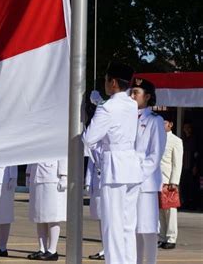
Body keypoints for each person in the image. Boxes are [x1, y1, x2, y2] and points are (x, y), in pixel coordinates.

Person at [82, 61, 142, 264]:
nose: (105, 84)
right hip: (131, 168)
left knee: (112, 225)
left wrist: (95, 111)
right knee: (127, 224)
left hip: (114, 168)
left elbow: (89, 138)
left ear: (113, 82)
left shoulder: (107, 108)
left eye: (106, 80)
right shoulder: (132, 104)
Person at [130, 78, 166, 264]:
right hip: (127, 181)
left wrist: (138, 174)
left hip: (145, 182)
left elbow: (155, 154)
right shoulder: (126, 117)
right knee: (133, 227)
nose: (132, 95)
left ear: (148, 97)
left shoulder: (155, 121)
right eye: (132, 91)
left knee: (148, 227)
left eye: (136, 92)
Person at [26, 159, 67, 261]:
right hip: (37, 175)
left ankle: (52, 250)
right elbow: (31, 154)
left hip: (52, 177)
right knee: (39, 215)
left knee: (52, 215)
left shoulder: (59, 142)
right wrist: (28, 173)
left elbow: (63, 154)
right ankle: (42, 248)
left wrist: (64, 175)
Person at [159, 115, 183, 250]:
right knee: (160, 211)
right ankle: (162, 237)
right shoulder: (156, 138)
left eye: (164, 123)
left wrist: (174, 181)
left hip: (168, 181)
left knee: (170, 210)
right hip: (156, 180)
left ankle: (171, 238)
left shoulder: (176, 141)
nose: (162, 125)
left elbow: (177, 163)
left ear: (170, 124)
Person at [85, 145, 105, 261]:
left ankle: (110, 248)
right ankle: (104, 248)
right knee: (101, 218)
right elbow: (90, 165)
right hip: (97, 183)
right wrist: (88, 183)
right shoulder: (95, 144)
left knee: (110, 220)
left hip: (110, 183)